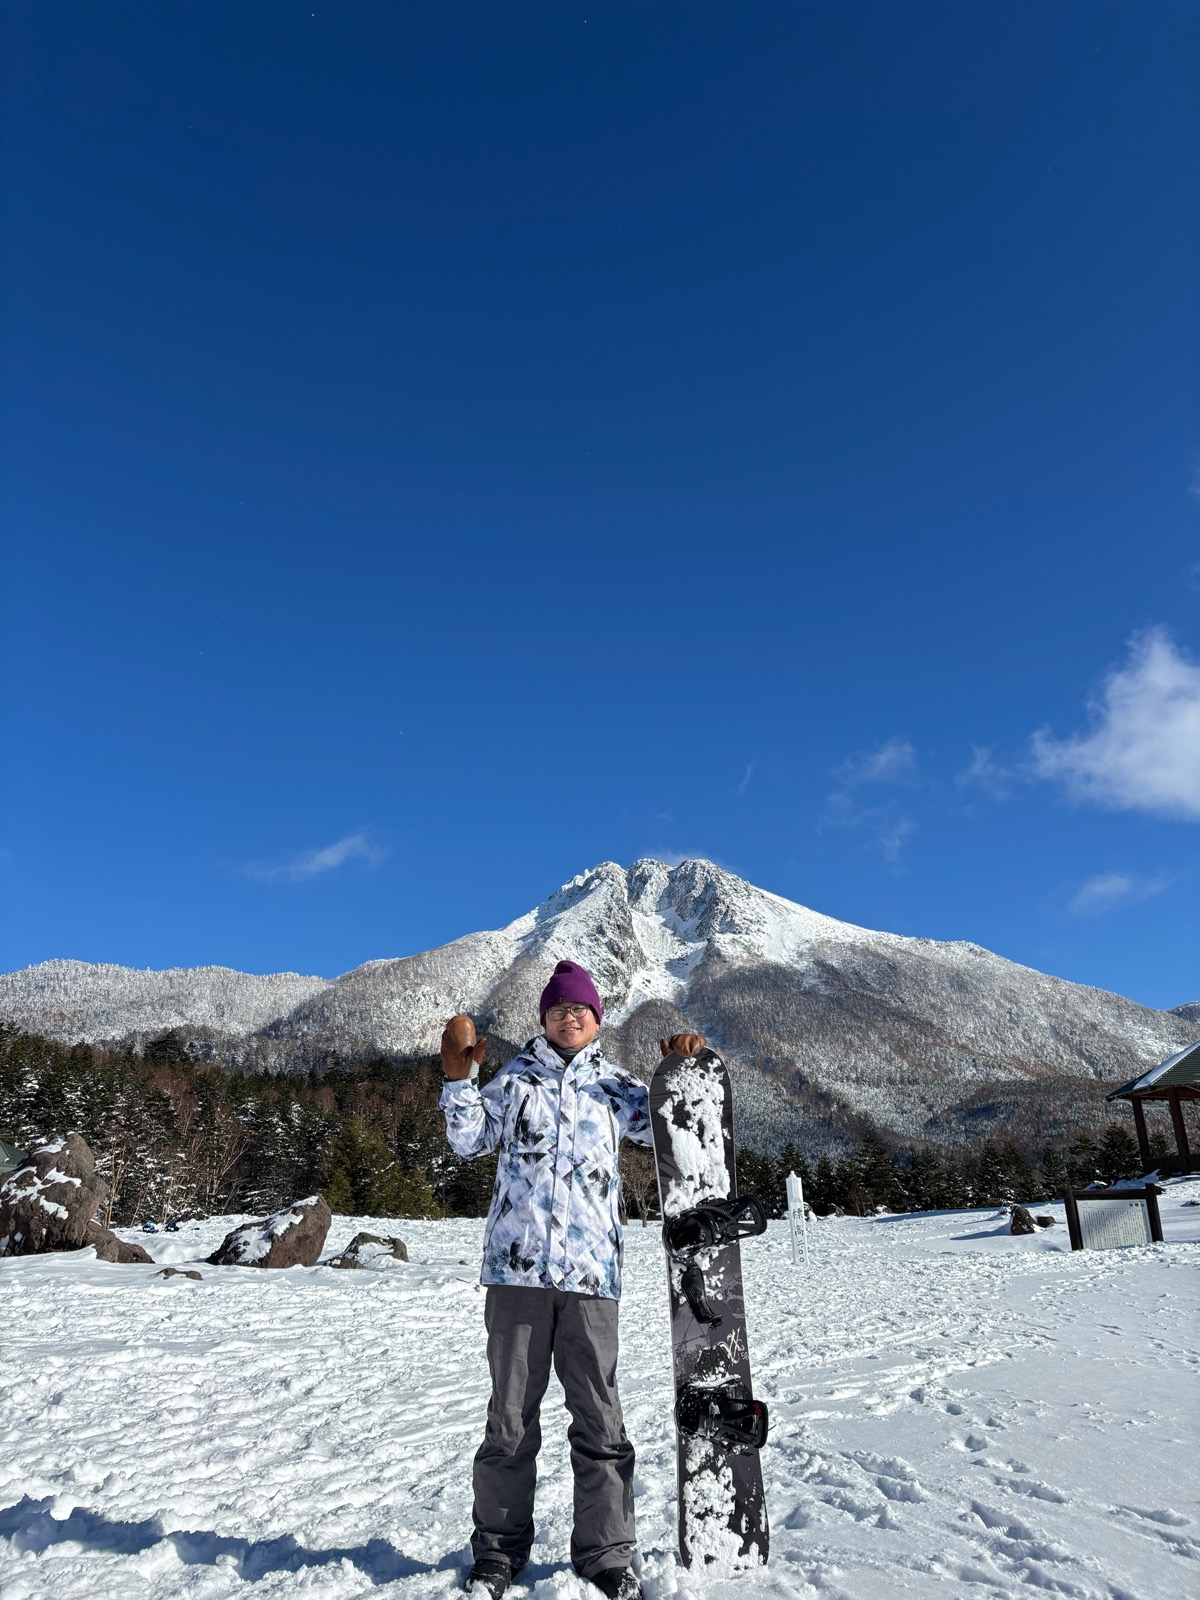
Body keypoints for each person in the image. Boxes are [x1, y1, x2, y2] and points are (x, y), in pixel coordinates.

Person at [439, 958, 705, 1600]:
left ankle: (608, 1552)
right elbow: (468, 1141)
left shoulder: (616, 1087)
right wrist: (459, 1079)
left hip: (592, 1279)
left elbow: (674, 1134)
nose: (568, 1016)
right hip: (515, 1277)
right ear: (544, 1017)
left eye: (579, 1009)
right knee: (509, 1421)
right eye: (558, 1008)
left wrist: (681, 1075)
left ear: (596, 1019)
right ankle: (499, 1551)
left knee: (600, 1420)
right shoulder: (512, 1081)